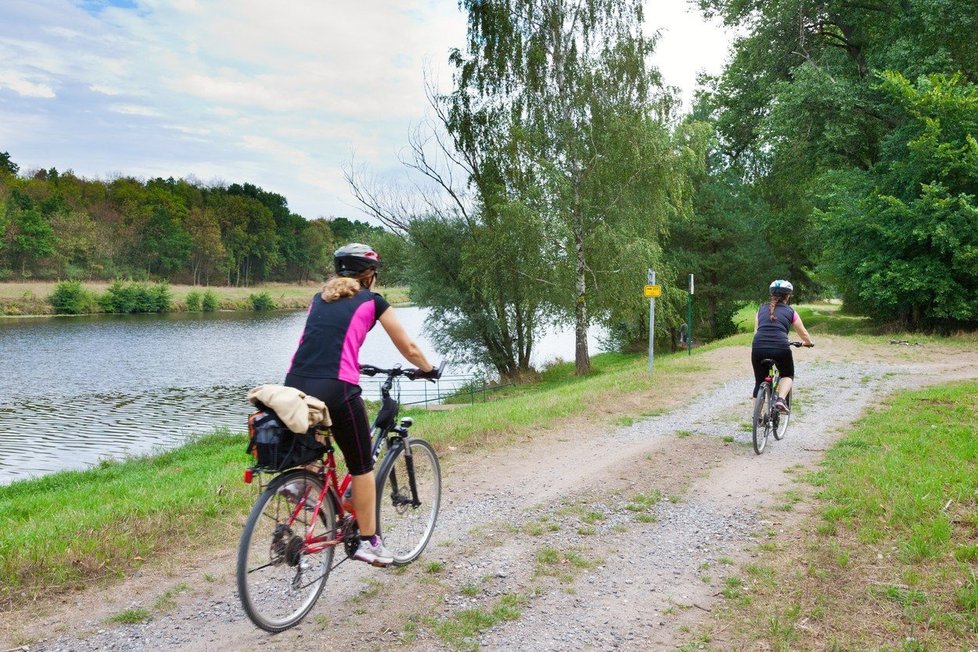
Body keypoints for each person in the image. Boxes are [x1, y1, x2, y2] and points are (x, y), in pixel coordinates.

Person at [284, 243, 437, 566]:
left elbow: (319, 342)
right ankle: (368, 542)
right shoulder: (373, 301)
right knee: (362, 466)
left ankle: (302, 484)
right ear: (369, 276)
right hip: (337, 386)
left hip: (295, 383)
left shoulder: (319, 298)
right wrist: (427, 369)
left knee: (316, 440)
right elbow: (407, 346)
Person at [751, 280, 813, 414]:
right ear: (788, 296)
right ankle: (780, 400)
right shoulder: (791, 312)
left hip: (758, 347)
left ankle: (758, 416)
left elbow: (756, 332)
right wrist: (807, 343)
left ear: (771, 294)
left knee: (759, 381)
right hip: (780, 348)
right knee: (787, 374)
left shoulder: (761, 309)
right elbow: (803, 334)